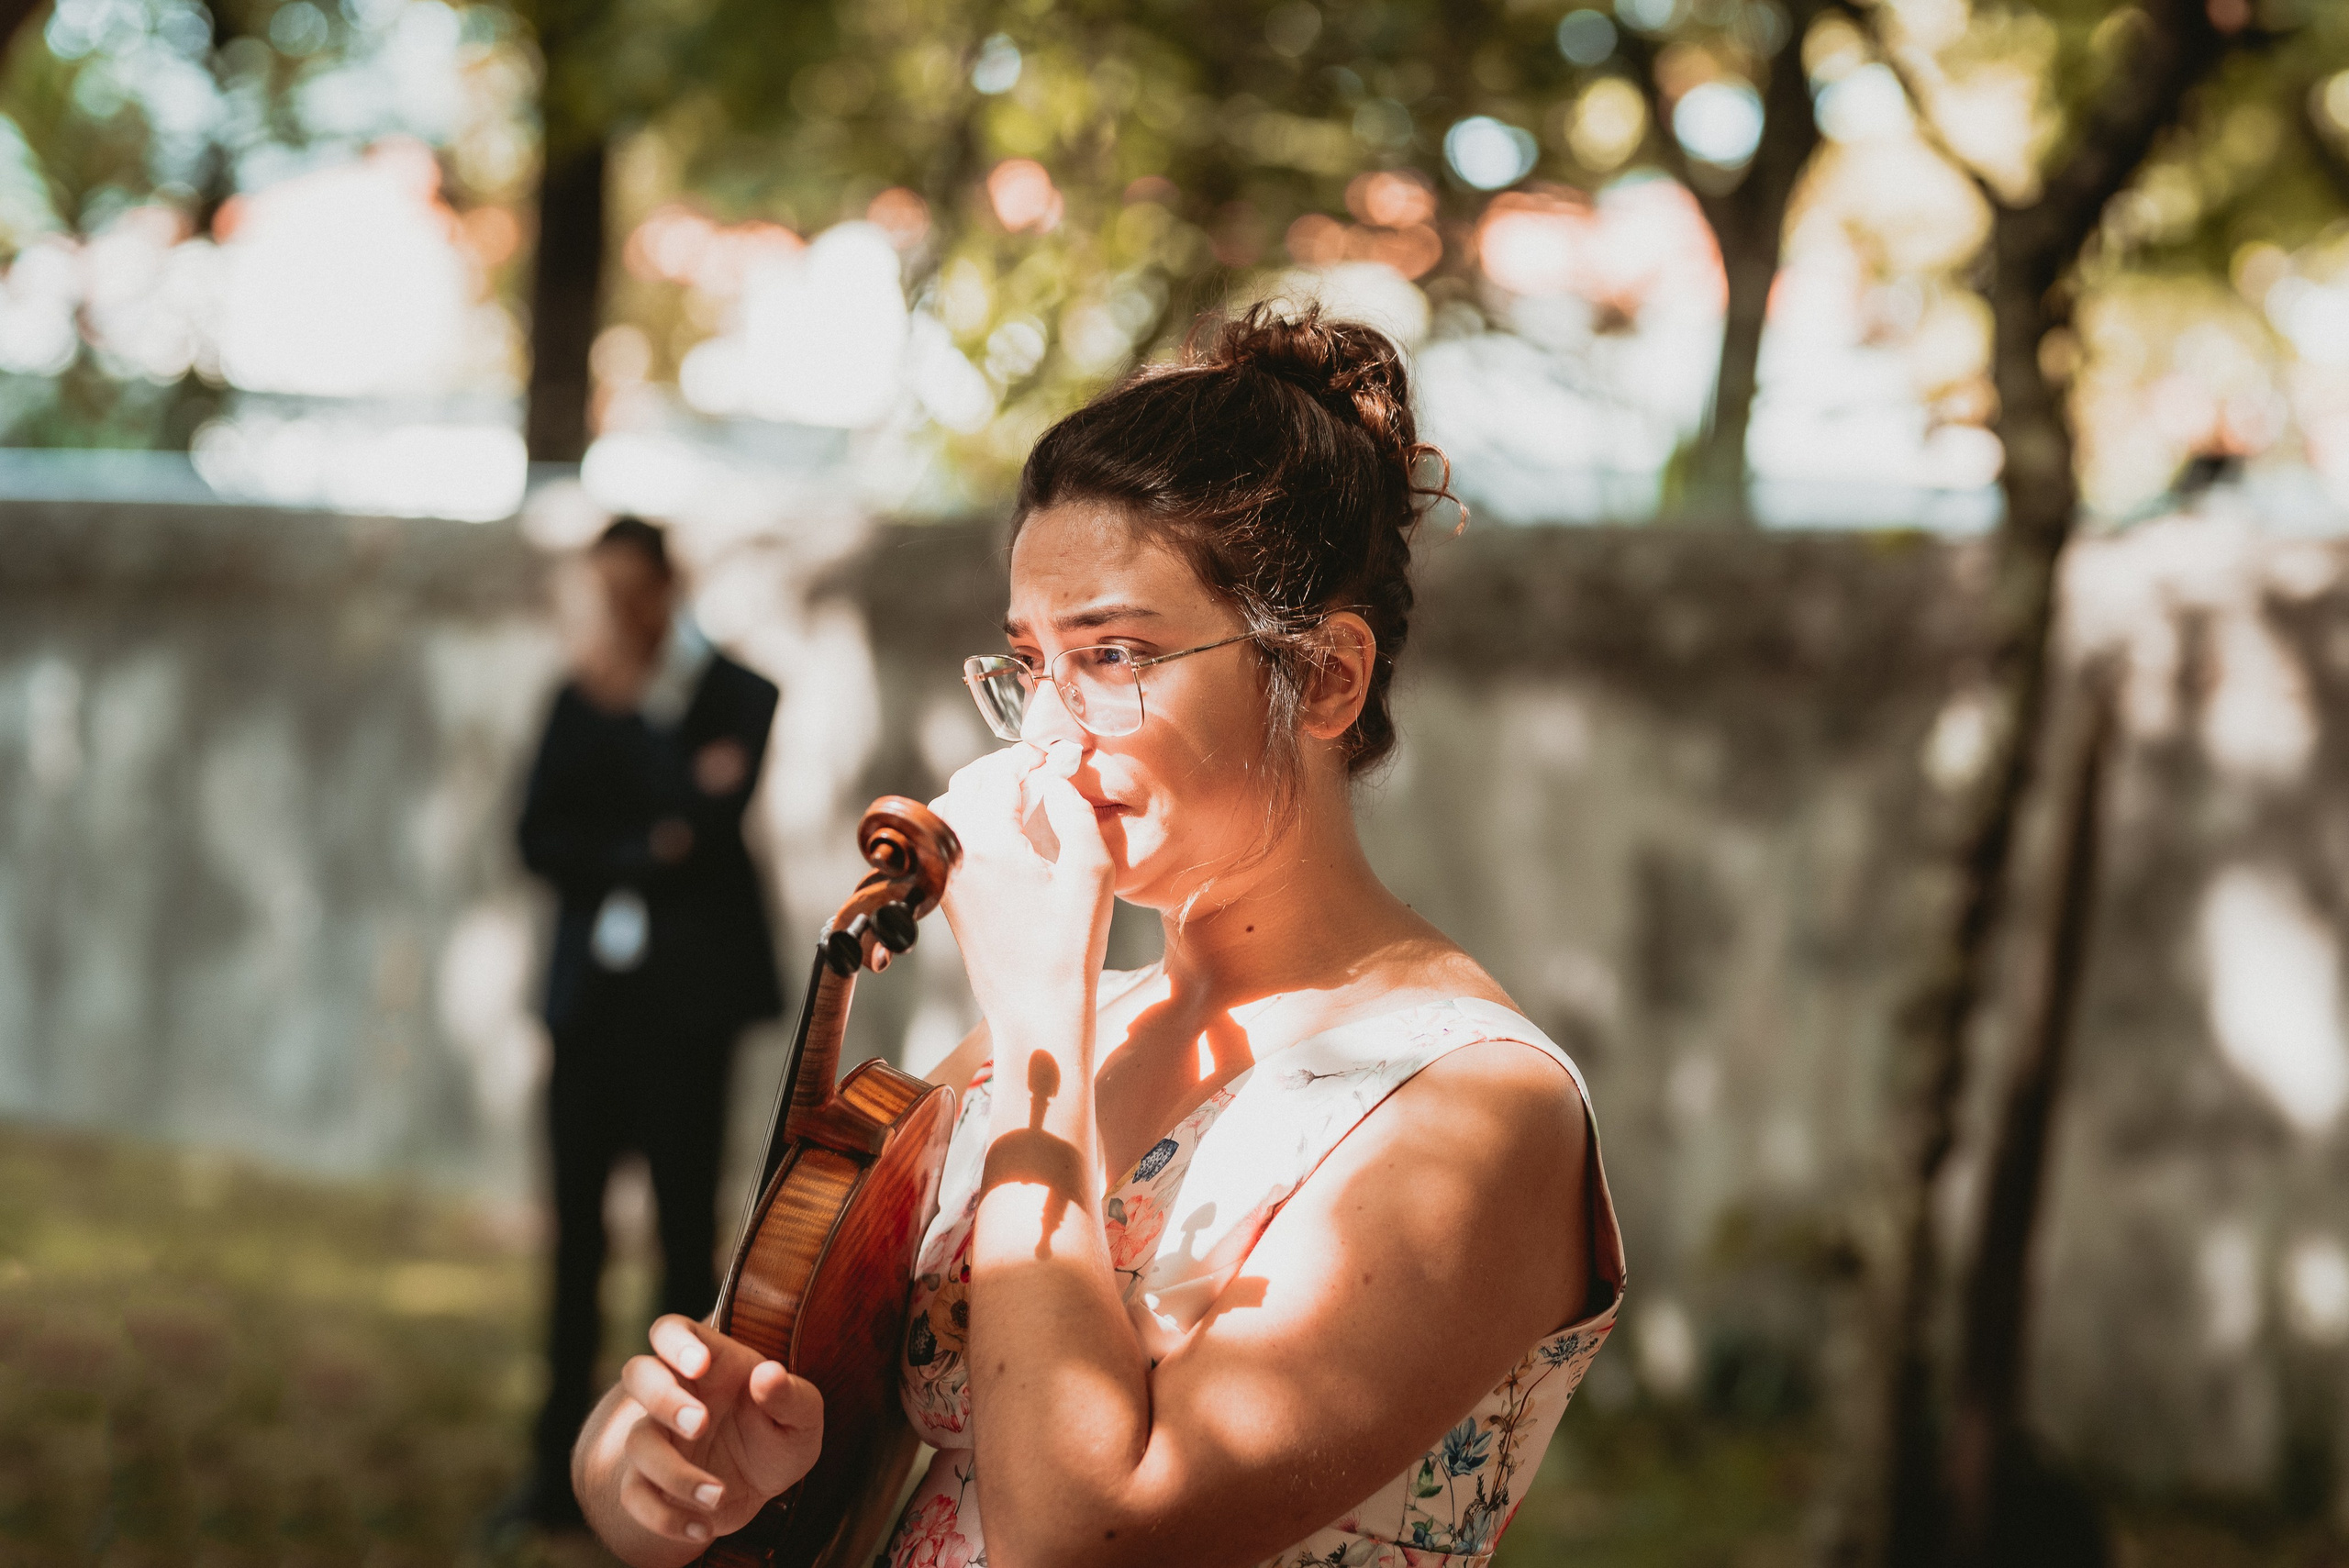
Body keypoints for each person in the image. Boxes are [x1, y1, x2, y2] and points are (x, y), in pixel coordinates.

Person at [572, 308, 1626, 1567]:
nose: (1051, 742)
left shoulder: (1474, 1109)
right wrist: (660, 1473)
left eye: (1116, 654)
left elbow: (1084, 1534)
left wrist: (1033, 1019)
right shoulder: (1055, 1036)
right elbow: (791, 1451)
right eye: (1031, 665)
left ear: (1330, 680)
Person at [510, 516, 785, 1529]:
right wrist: (650, 839)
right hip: (590, 1013)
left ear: (668, 586)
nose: (619, 612)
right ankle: (552, 1476)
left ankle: (675, 1473)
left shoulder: (735, 693)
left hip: (686, 1015)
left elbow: (712, 821)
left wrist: (640, 746)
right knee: (573, 1243)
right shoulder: (575, 695)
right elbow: (538, 836)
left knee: (682, 1248)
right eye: (605, 591)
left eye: (635, 591)